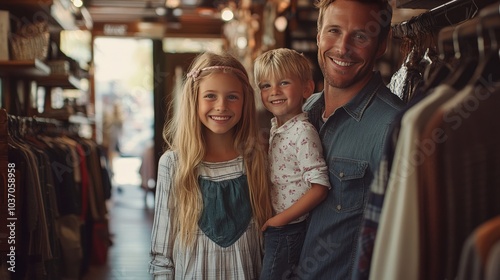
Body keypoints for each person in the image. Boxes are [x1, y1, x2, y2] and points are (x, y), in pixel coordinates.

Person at [294, 1, 405, 279]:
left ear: (382, 43)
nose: (343, 48)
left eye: (360, 36)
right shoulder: (301, 114)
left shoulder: (395, 128)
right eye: (333, 30)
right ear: (318, 34)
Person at [149, 51, 273, 280]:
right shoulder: (174, 164)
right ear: (193, 99)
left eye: (232, 97)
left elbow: (268, 247)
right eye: (210, 96)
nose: (221, 106)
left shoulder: (257, 160)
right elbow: (161, 255)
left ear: (245, 101)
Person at [253, 48, 331, 280]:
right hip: (279, 224)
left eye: (283, 83)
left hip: (288, 228)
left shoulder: (303, 132)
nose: (274, 91)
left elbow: (320, 187)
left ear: (307, 88)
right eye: (265, 85)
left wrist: (280, 220)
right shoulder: (277, 127)